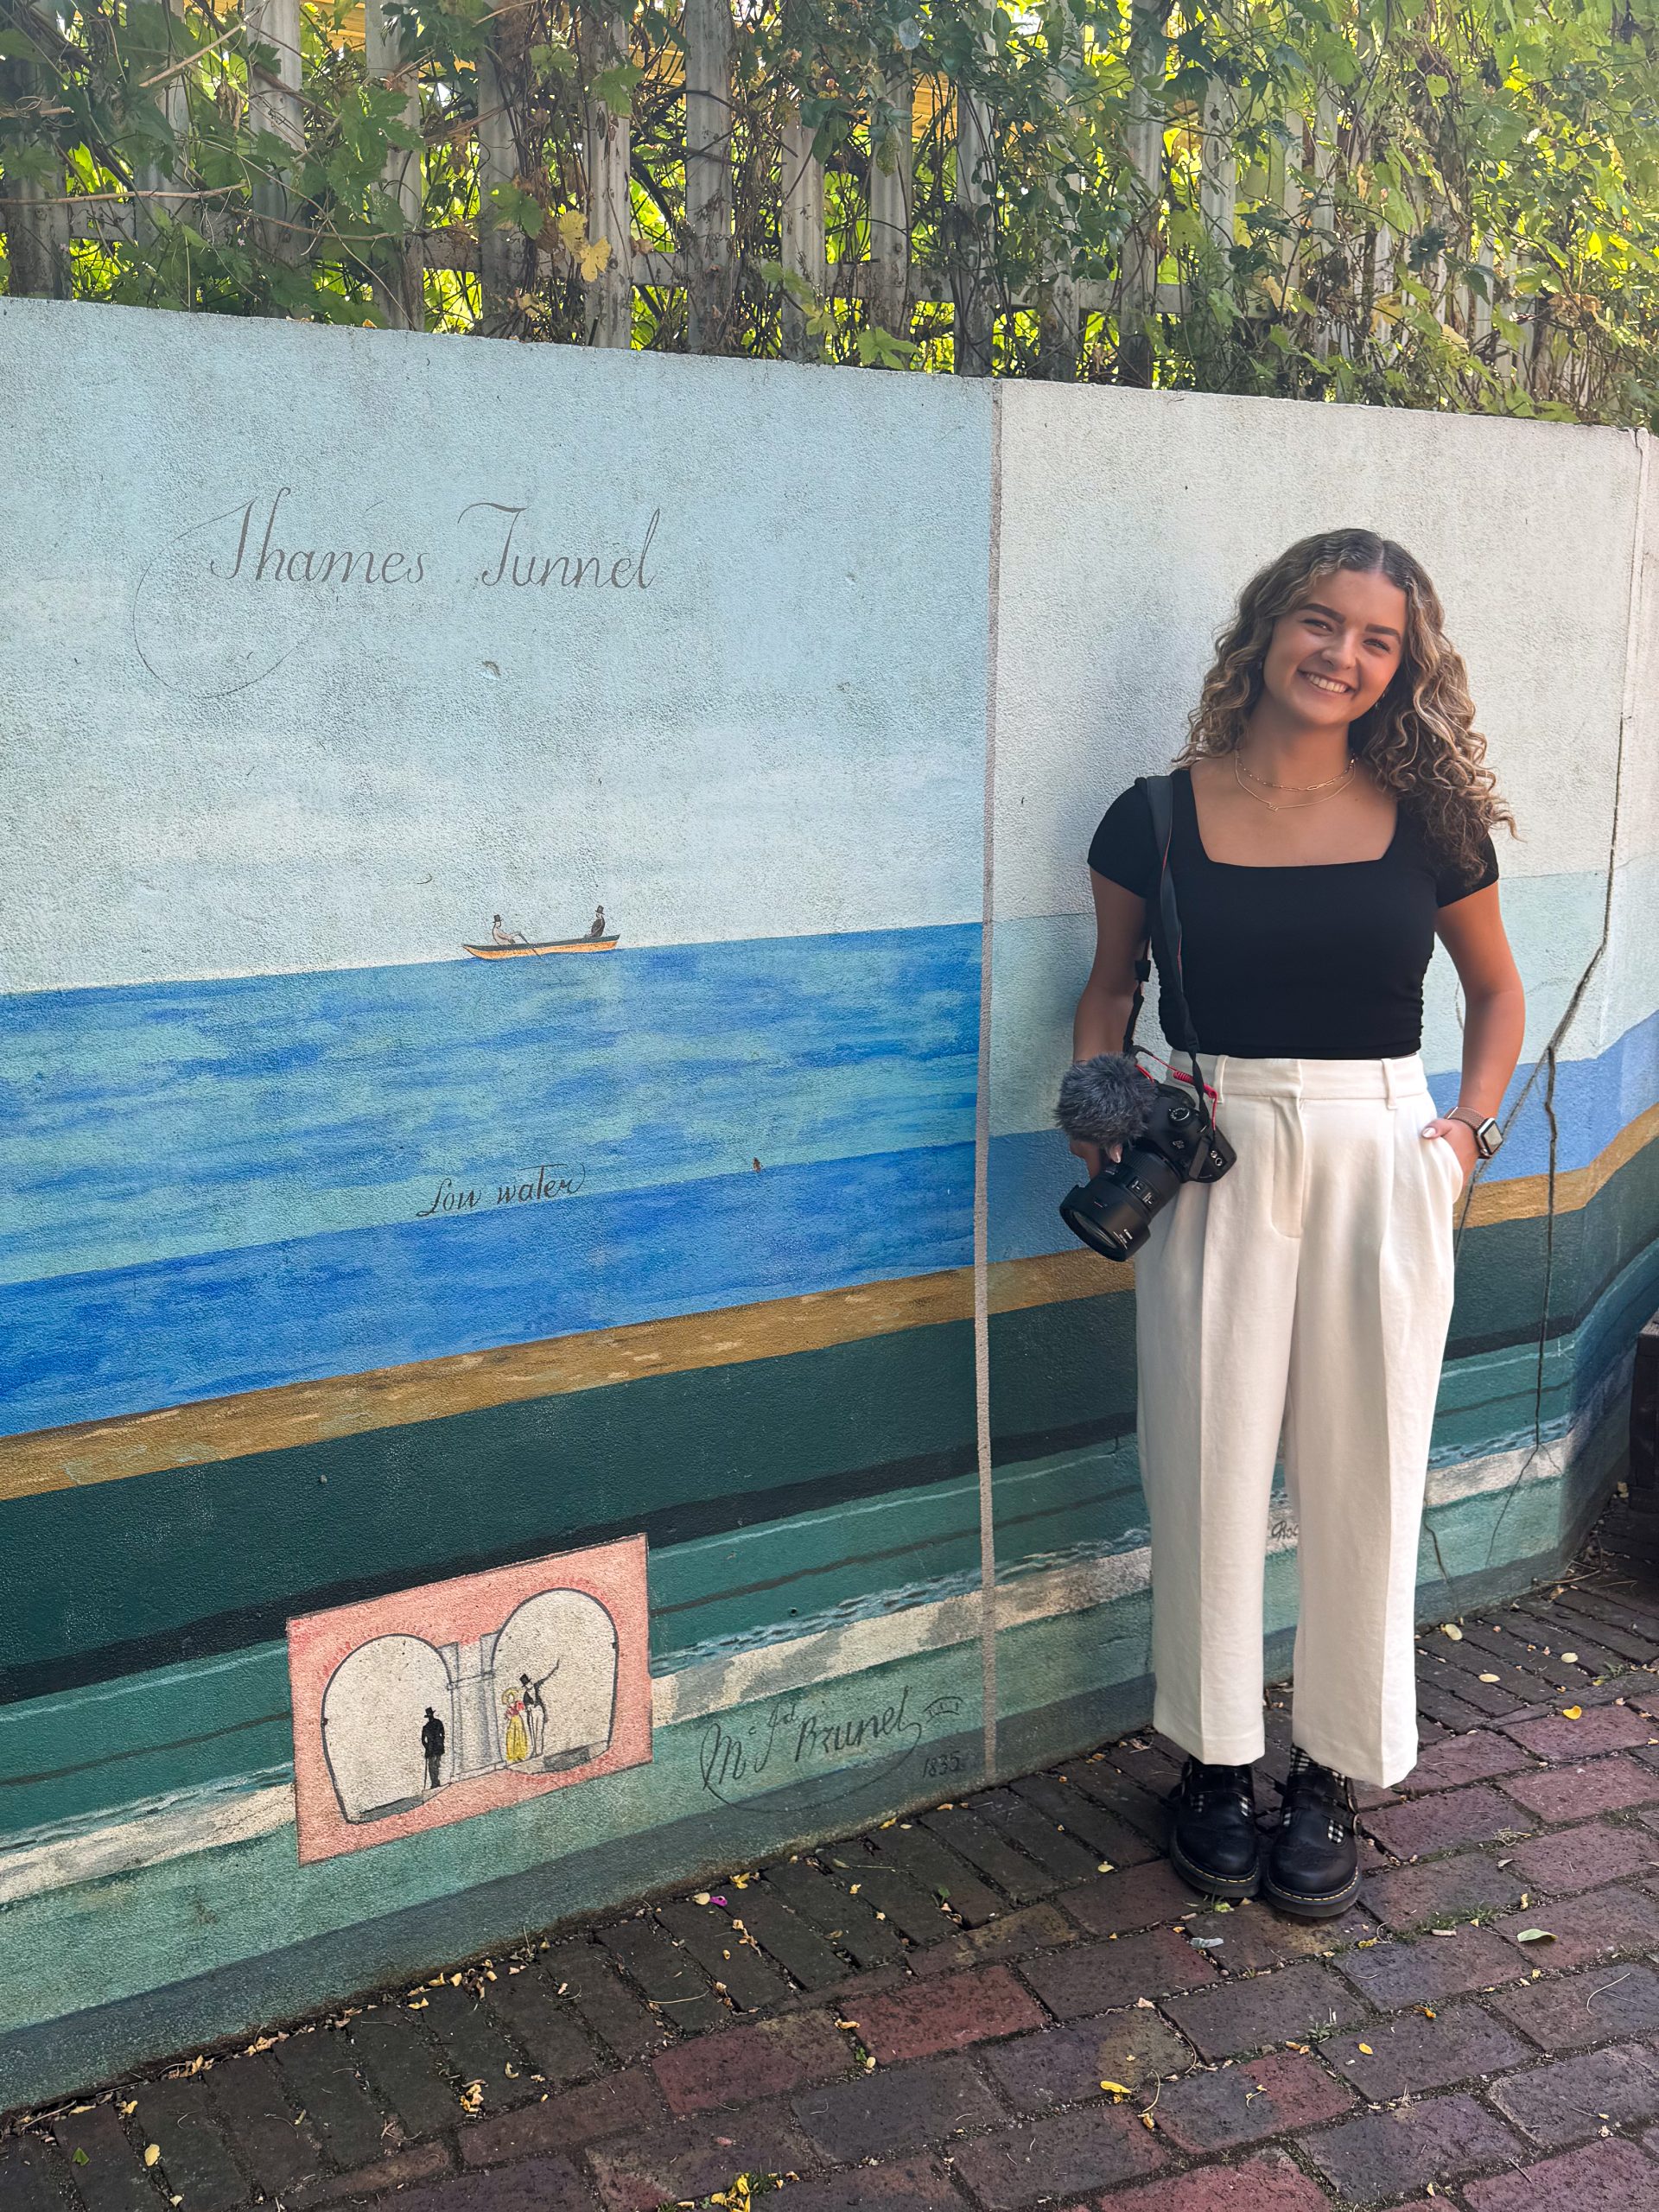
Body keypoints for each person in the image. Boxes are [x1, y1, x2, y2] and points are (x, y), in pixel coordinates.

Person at [1071, 527, 1524, 1919]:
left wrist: (1461, 1141)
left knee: (1366, 1466)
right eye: (1321, 623)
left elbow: (1499, 998)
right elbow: (1108, 990)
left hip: (1384, 1153)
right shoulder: (1149, 817)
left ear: (1404, 665)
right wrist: (1096, 1102)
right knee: (1203, 1465)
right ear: (1269, 630)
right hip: (1210, 1151)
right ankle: (1212, 1761)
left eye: (1378, 639)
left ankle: (1331, 1769)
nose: (1343, 654)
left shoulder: (1431, 821)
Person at [420, 1707, 445, 1791]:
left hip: (436, 1747)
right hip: (433, 1748)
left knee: (435, 1765)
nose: (430, 1717)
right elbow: (423, 1740)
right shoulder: (427, 1727)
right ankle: (434, 1782)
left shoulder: (437, 1723)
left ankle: (436, 1782)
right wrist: (427, 1746)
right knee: (432, 1766)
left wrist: (440, 1742)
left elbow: (443, 1734)